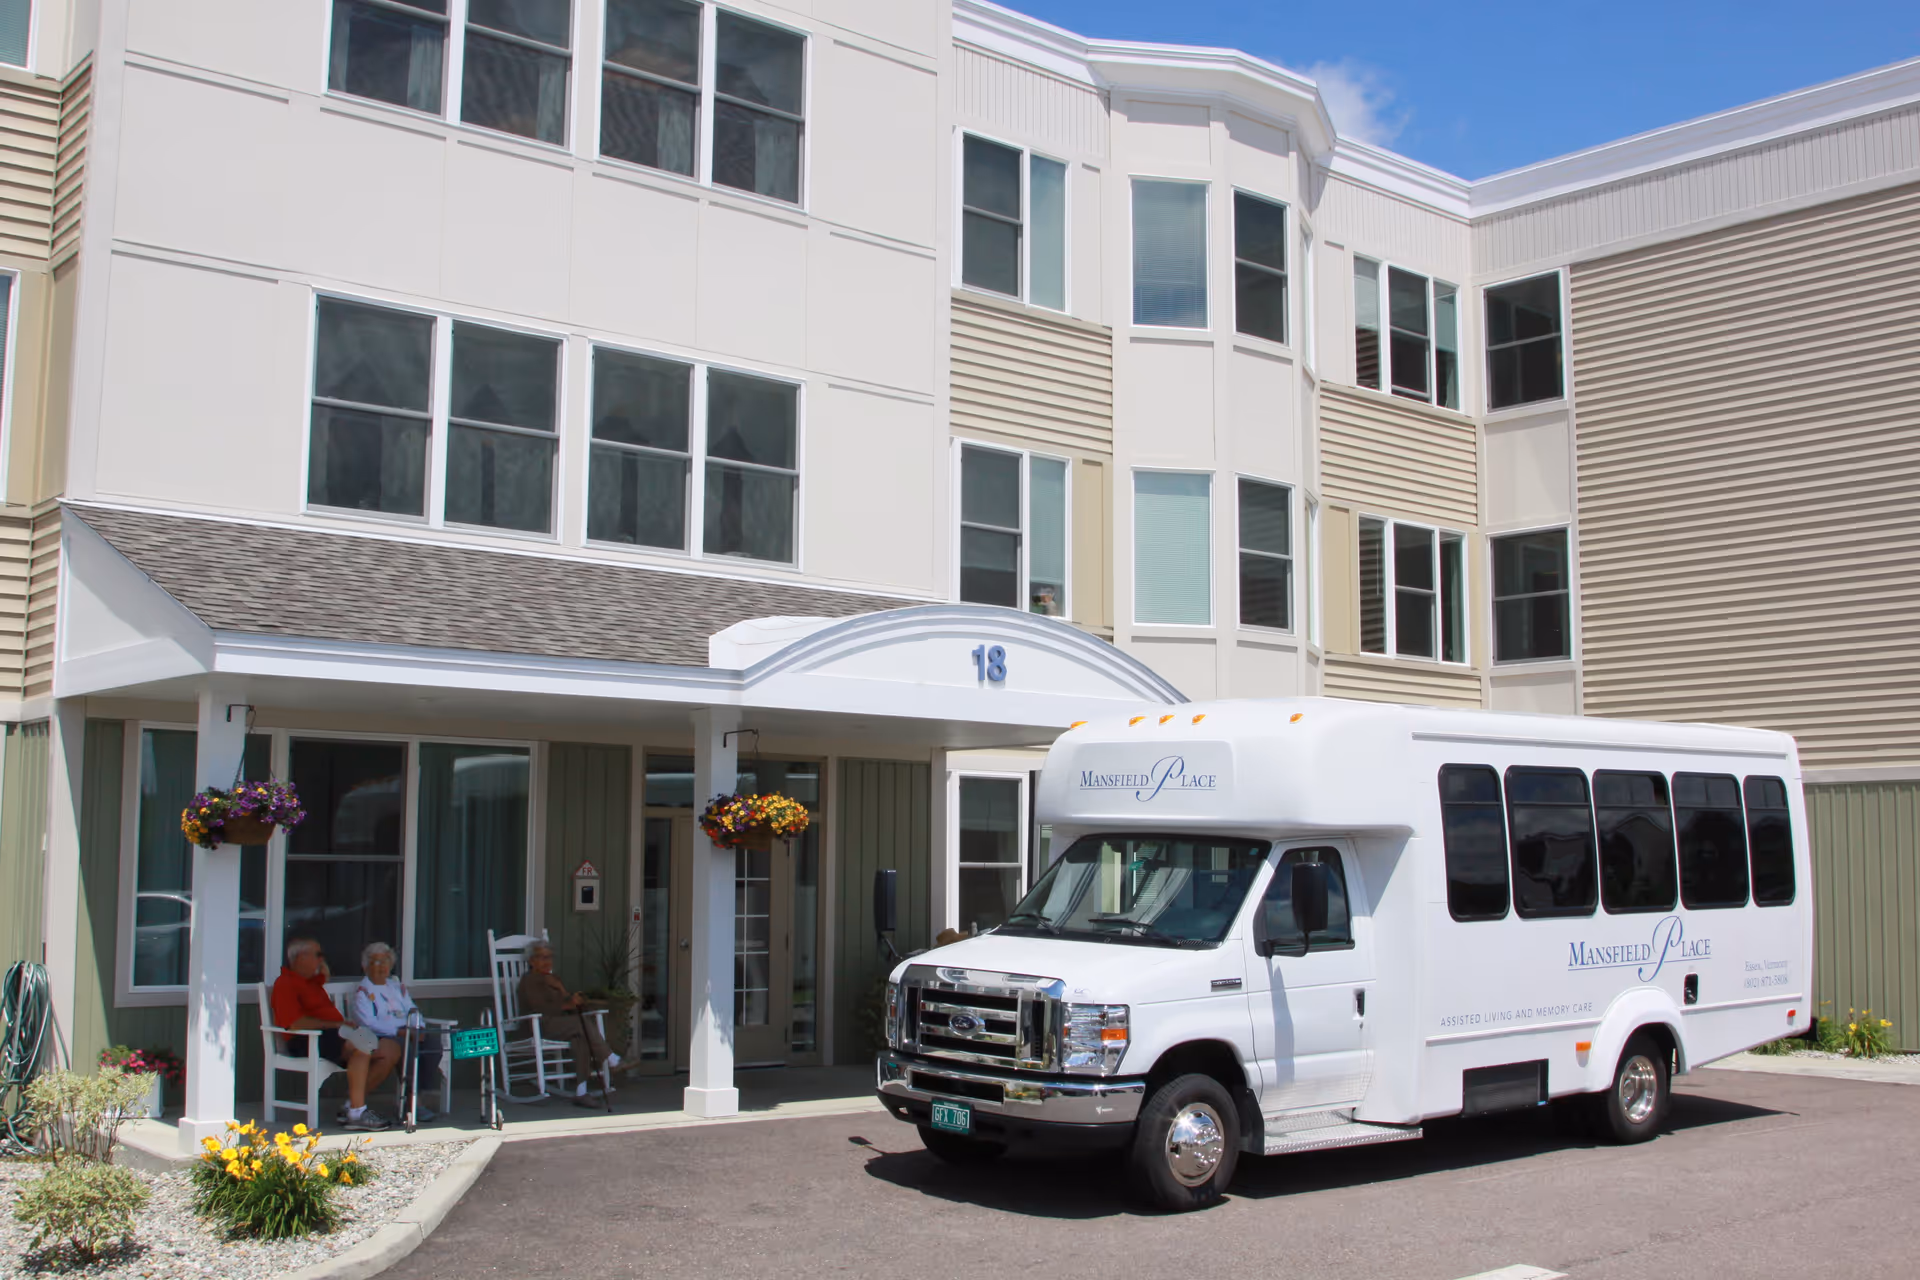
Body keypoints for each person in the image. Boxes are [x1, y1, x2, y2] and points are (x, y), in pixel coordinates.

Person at [271, 937, 400, 1131]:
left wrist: (320, 967)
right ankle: (357, 1114)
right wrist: (335, 1024)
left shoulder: (311, 982)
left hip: (335, 1034)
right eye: (317, 955)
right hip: (307, 1038)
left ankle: (350, 1106)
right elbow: (294, 1023)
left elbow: (324, 975)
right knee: (361, 1044)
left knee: (391, 1050)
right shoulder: (285, 983)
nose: (322, 959)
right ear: (300, 957)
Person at [517, 940, 635, 1106]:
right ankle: (611, 1059)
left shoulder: (552, 979)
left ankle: (581, 1092)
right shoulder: (529, 981)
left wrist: (565, 993)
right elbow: (540, 1007)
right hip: (539, 1025)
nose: (547, 961)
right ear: (532, 961)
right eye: (542, 957)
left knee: (581, 1037)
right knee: (581, 1024)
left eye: (549, 957)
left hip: (558, 1025)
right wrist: (568, 1004)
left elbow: (567, 1002)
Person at [351, 942, 442, 1123]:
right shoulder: (363, 991)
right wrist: (400, 1031)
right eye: (376, 962)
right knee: (406, 1047)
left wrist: (419, 1027)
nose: (382, 966)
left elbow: (412, 1010)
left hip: (407, 1031)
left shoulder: (396, 987)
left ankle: (417, 1093)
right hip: (383, 1036)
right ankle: (413, 1102)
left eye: (385, 961)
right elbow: (367, 1022)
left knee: (432, 1044)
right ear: (366, 966)